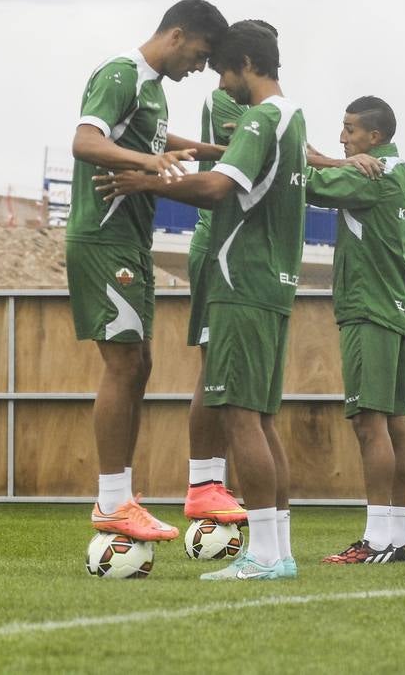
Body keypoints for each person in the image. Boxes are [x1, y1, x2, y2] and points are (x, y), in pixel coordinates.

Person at [96, 20, 306, 581]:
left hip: (241, 283)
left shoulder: (263, 117)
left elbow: (217, 188)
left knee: (239, 418)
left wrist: (149, 184)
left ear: (245, 64)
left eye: (222, 70)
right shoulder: (294, 116)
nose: (219, 83)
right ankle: (277, 551)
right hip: (274, 284)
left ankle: (261, 555)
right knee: (260, 421)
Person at [67, 0, 230, 543]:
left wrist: (210, 150)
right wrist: (147, 164)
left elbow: (156, 142)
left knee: (139, 364)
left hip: (131, 241)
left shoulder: (154, 90)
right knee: (122, 363)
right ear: (178, 35)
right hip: (103, 235)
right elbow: (85, 141)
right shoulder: (121, 74)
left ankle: (123, 497)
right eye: (201, 56)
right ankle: (112, 501)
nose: (200, 70)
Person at [306, 97, 405, 564]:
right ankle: (399, 537)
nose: (342, 137)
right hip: (393, 305)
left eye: (350, 130)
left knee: (369, 423)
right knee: (394, 423)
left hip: (368, 306)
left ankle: (377, 541)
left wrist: (280, 142)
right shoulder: (403, 172)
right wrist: (338, 158)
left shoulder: (370, 174)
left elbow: (308, 184)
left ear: (374, 138)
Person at [182, 87, 247, 526]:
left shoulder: (263, 113)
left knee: (235, 374)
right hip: (216, 247)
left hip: (241, 251)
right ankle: (203, 484)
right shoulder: (225, 98)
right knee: (215, 369)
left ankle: (217, 484)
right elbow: (282, 152)